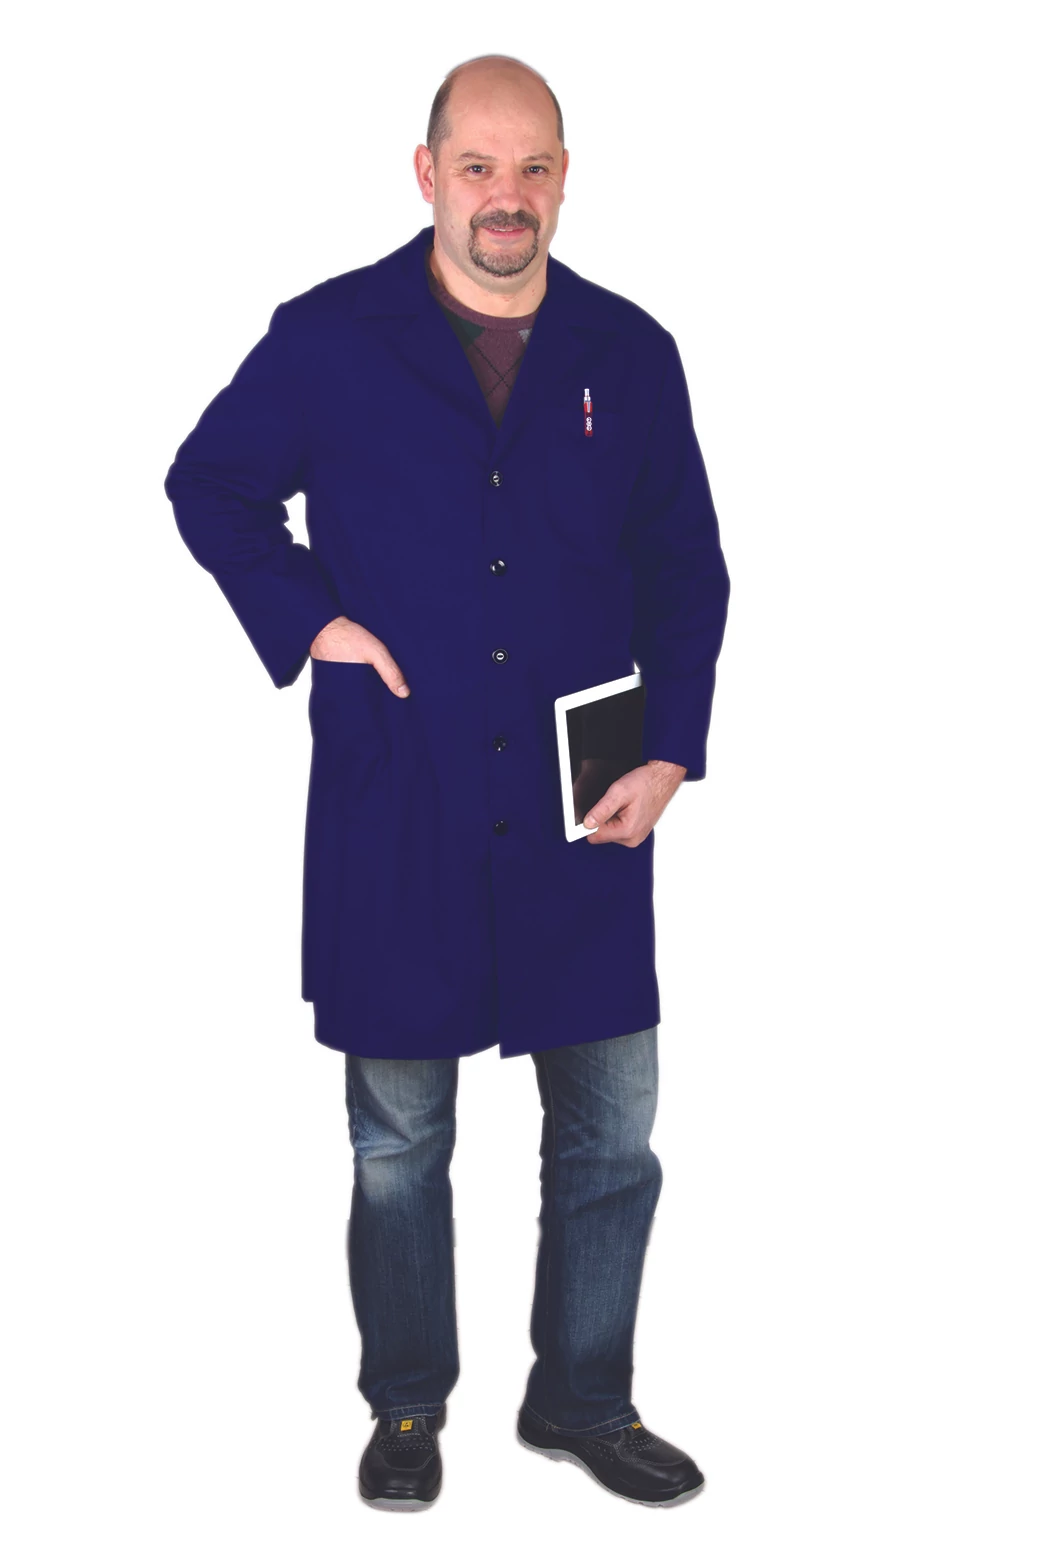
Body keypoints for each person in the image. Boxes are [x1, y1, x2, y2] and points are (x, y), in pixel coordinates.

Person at [164, 52, 730, 1512]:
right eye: (478, 166)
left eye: (533, 167)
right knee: (400, 1141)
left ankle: (584, 1399)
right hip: (400, 794)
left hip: (585, 802)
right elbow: (210, 483)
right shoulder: (329, 338)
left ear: (565, 179)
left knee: (611, 1133)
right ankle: (407, 1404)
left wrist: (672, 748)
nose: (506, 195)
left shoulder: (629, 352)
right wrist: (314, 620)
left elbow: (685, 567)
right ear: (428, 175)